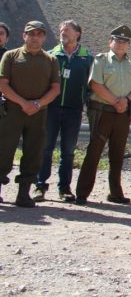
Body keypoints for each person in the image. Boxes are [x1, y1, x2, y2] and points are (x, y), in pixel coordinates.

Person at [75, 25, 131, 205]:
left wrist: (126, 102)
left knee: (117, 153)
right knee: (94, 151)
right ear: (110, 42)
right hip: (102, 111)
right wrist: (116, 101)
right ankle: (82, 192)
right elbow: (95, 84)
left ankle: (115, 192)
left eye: (125, 42)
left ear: (128, 45)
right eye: (118, 40)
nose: (121, 44)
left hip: (123, 114)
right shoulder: (101, 60)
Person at [0, 21, 61, 207]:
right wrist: (23, 103)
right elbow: (2, 84)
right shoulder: (10, 56)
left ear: (44, 37)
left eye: (39, 34)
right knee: (3, 150)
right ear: (24, 35)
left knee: (33, 152)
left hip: (37, 114)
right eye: (31, 34)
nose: (35, 37)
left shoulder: (51, 60)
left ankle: (23, 194)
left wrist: (38, 104)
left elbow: (56, 88)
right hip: (12, 112)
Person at [37, 20, 93, 202]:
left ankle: (65, 189)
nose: (63, 33)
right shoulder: (51, 55)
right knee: (46, 148)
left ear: (78, 33)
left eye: (67, 30)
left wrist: (82, 100)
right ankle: (40, 186)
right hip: (51, 109)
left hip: (73, 110)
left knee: (68, 151)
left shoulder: (87, 58)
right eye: (61, 30)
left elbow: (91, 84)